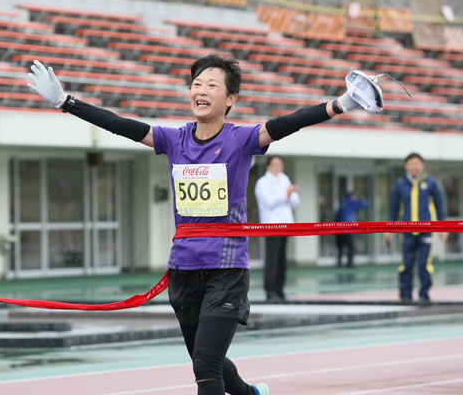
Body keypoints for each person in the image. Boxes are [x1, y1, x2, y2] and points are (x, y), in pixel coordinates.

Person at [27, 53, 377, 395]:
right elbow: (122, 125)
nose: (202, 90)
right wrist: (65, 101)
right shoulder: (173, 139)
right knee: (204, 358)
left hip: (225, 269)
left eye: (212, 84)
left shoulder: (241, 140)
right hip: (183, 267)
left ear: (230, 99)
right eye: (197, 84)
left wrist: (341, 103)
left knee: (205, 366)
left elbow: (288, 122)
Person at [385, 153, 448, 305]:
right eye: (411, 163)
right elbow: (393, 208)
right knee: (406, 263)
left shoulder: (431, 182)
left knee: (424, 264)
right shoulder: (400, 184)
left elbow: (440, 205)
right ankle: (405, 295)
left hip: (426, 230)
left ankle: (424, 295)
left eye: (417, 163)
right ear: (406, 165)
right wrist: (389, 228)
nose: (414, 167)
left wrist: (443, 227)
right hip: (407, 231)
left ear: (422, 165)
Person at [254, 156, 299, 302]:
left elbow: (295, 202)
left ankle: (280, 290)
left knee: (281, 260)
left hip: (285, 225)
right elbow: (269, 202)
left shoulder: (284, 179)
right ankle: (270, 291)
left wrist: (289, 194)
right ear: (268, 166)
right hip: (271, 225)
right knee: (272, 259)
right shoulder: (263, 182)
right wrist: (286, 194)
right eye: (275, 164)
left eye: (280, 164)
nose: (278, 167)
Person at [335, 191, 369, 268]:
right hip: (348, 229)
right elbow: (365, 203)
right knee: (350, 248)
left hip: (338, 229)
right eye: (354, 197)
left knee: (340, 247)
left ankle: (339, 264)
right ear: (351, 197)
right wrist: (361, 199)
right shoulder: (351, 202)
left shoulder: (342, 202)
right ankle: (350, 264)